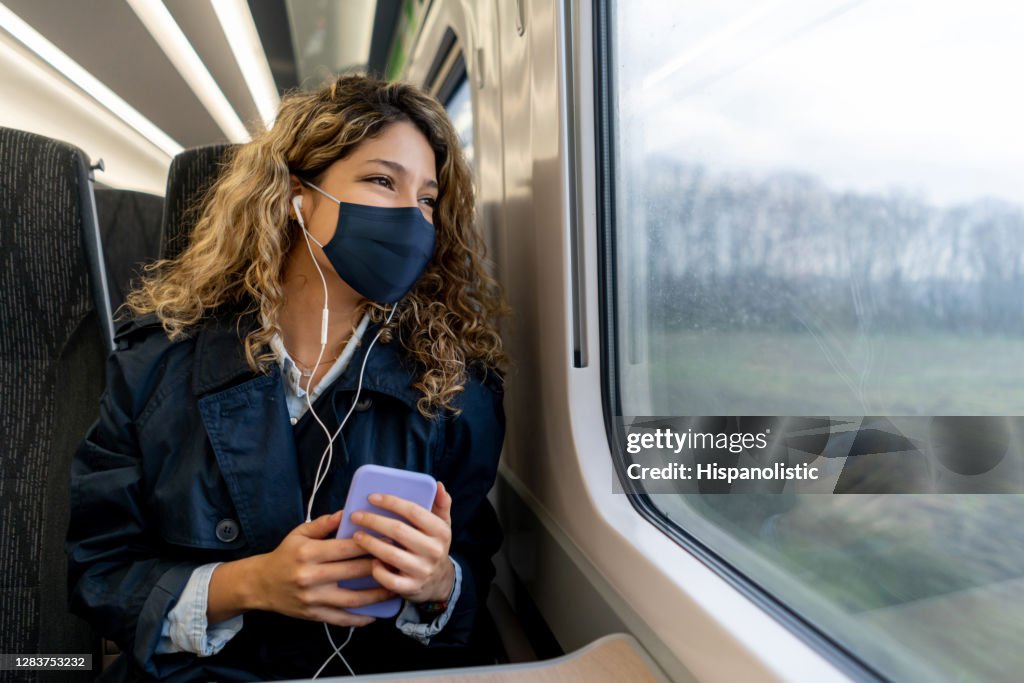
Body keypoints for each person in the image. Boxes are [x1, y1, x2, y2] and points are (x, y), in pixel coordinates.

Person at [66, 74, 507, 681]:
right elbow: (100, 572)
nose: (413, 219)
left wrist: (436, 584)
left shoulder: (457, 385)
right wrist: (250, 584)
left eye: (427, 199)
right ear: (297, 198)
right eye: (383, 181)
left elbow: (471, 575)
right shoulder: (153, 370)